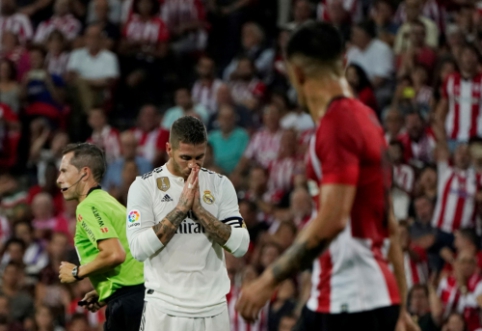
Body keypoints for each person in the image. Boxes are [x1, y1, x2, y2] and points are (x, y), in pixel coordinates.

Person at [235, 22, 416, 331]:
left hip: (350, 299)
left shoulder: (337, 124)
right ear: (343, 63)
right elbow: (388, 222)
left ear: (298, 73)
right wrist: (399, 306)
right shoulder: (367, 118)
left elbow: (333, 218)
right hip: (354, 297)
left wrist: (268, 279)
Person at [126, 116, 249, 331]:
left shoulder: (220, 185)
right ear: (168, 149)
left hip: (213, 309)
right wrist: (181, 209)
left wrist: (200, 212)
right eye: (185, 157)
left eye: (199, 157)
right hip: (164, 309)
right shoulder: (144, 186)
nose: (193, 165)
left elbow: (241, 246)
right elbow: (138, 249)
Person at [56, 143, 144, 331]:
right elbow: (131, 256)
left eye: (64, 171)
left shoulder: (87, 206)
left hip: (130, 305)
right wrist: (105, 292)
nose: (58, 179)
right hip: (142, 297)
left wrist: (77, 273)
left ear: (84, 173)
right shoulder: (110, 202)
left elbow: (115, 255)